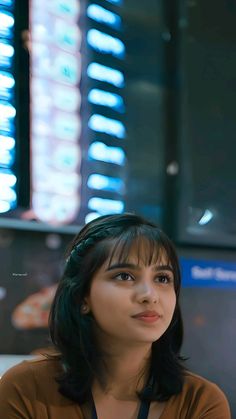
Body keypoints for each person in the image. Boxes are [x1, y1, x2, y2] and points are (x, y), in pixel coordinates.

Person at [0, 213, 231, 418]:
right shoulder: (25, 389)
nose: (150, 296)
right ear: (83, 298)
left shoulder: (200, 402)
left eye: (162, 278)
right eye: (124, 276)